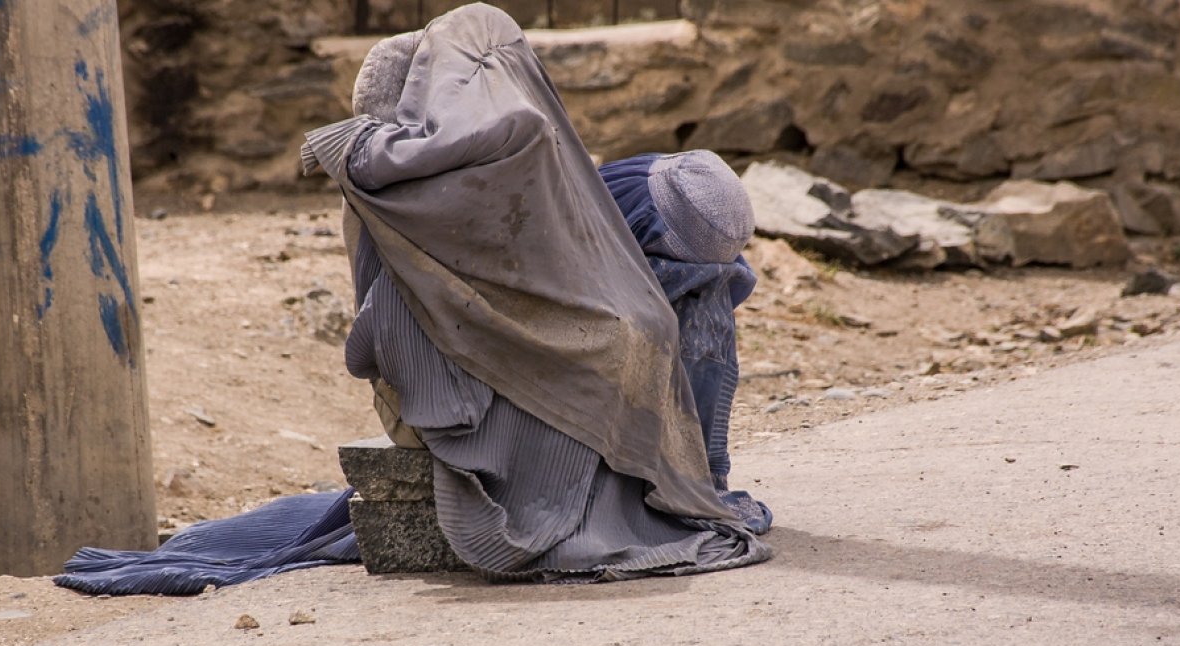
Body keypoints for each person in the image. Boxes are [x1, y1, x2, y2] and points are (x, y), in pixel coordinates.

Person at [54, 3, 768, 594]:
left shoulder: (516, 180)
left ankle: (671, 478)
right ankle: (662, 484)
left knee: (676, 306)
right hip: (471, 410)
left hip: (509, 401)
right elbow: (395, 341)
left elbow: (383, 341)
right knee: (654, 318)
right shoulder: (445, 196)